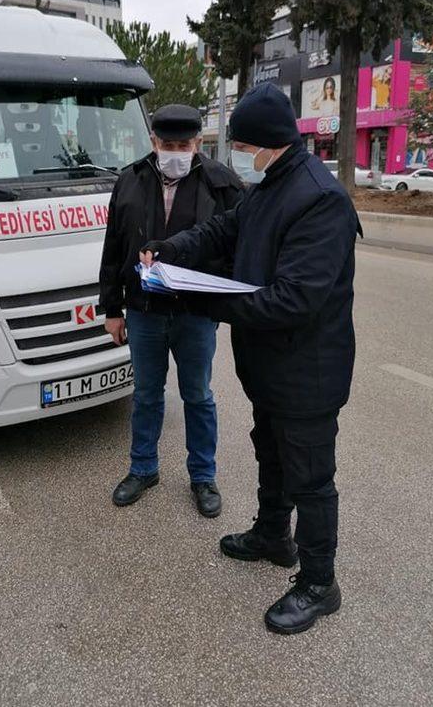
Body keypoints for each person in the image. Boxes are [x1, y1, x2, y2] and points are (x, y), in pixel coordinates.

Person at [140, 83, 361, 634]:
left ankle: (318, 582)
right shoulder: (269, 186)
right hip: (270, 366)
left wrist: (199, 296)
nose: (237, 151)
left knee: (310, 475)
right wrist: (172, 251)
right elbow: (223, 228)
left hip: (307, 370)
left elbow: (294, 298)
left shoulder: (319, 199)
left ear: (265, 141)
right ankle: (271, 535)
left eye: (241, 142)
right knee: (271, 450)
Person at [99, 103, 243, 517]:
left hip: (196, 312)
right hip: (143, 310)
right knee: (145, 394)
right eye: (167, 144)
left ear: (198, 143)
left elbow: (237, 247)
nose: (176, 151)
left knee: (197, 395)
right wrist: (112, 308)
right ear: (153, 142)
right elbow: (113, 249)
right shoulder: (129, 180)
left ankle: (203, 476)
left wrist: (226, 302)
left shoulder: (223, 184)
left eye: (184, 144)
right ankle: (143, 468)